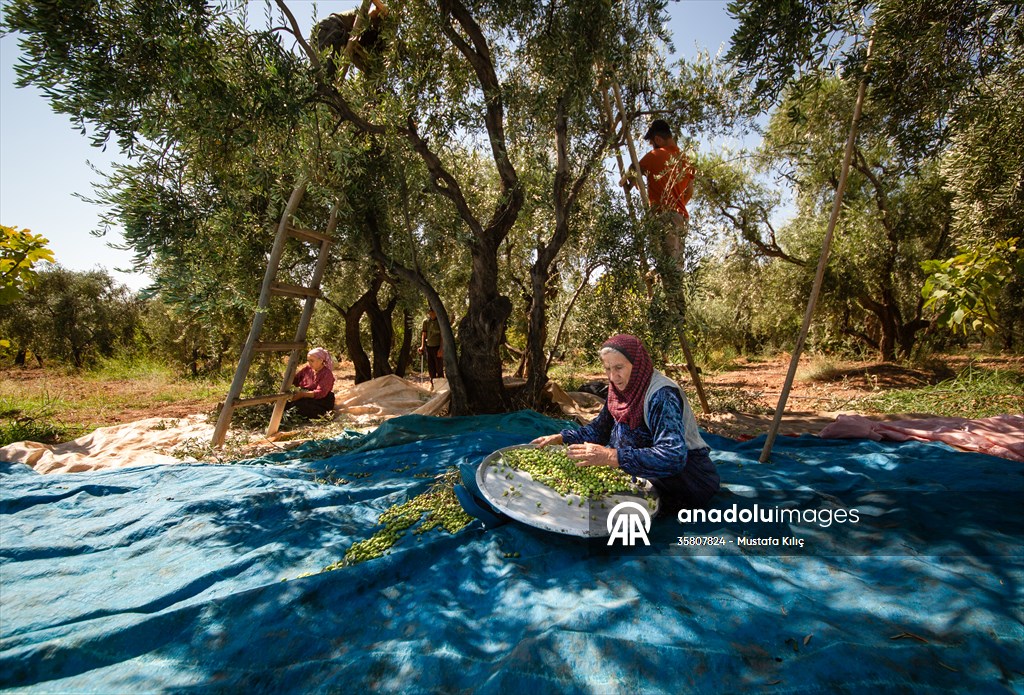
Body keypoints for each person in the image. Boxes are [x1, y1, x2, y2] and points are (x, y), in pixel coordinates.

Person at [531, 334, 718, 514]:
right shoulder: (619, 389)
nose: (613, 377)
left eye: (619, 367)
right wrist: (563, 438)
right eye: (607, 368)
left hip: (684, 480)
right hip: (639, 471)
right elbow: (599, 429)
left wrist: (611, 456)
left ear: (637, 366)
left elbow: (672, 457)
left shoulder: (662, 395)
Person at [287, 347, 336, 419]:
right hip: (306, 397)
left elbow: (320, 393)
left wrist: (302, 395)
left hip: (321, 401)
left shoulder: (327, 374)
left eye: (312, 361)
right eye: (308, 360)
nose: (309, 363)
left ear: (321, 360)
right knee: (285, 405)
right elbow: (296, 381)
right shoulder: (307, 369)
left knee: (298, 407)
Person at [419, 308, 444, 385]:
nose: (431, 314)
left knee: (439, 367)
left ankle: (441, 385)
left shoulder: (440, 321)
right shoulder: (426, 322)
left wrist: (441, 348)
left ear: (436, 313)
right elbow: (424, 334)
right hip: (429, 347)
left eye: (433, 313)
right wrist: (422, 346)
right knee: (431, 368)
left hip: (437, 347)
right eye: (430, 313)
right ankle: (432, 384)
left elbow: (442, 336)